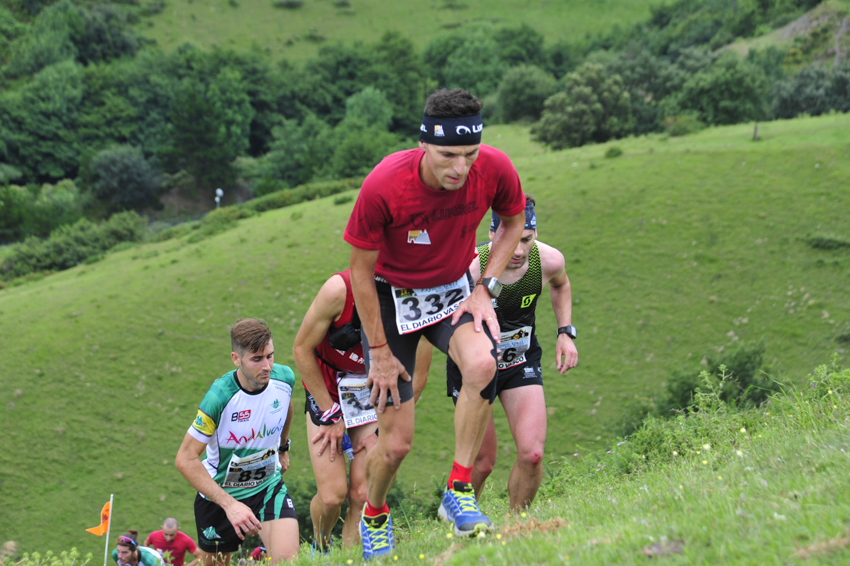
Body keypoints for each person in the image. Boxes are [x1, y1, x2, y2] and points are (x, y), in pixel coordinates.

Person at [343, 88, 527, 559]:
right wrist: (379, 352)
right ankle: (375, 514)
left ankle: (458, 490)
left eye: (470, 154)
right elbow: (359, 272)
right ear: (424, 143)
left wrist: (486, 287)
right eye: (448, 155)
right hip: (391, 300)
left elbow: (512, 223)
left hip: (452, 292)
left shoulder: (495, 167)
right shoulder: (385, 183)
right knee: (396, 446)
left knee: (483, 363)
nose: (460, 168)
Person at [446, 195, 578, 511]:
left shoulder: (548, 260)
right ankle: (458, 521)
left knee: (532, 454)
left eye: (527, 240)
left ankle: (517, 525)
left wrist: (565, 332)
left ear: (535, 234)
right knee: (482, 462)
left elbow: (561, 285)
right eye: (510, 239)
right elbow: (442, 321)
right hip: (474, 368)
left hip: (520, 360)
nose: (518, 251)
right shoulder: (471, 268)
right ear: (492, 234)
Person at [292, 269, 432, 552]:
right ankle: (320, 547)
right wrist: (330, 412)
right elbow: (301, 349)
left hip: (372, 394)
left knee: (363, 492)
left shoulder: (416, 298)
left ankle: (351, 557)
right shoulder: (339, 290)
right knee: (332, 496)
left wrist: (384, 427)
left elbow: (416, 379)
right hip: (327, 388)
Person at [175, 319, 299, 566]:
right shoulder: (219, 397)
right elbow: (185, 459)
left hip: (267, 487)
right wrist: (230, 505)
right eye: (257, 359)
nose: (267, 366)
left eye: (270, 356)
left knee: (288, 561)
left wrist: (283, 448)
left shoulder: (284, 378)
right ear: (236, 359)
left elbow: (286, 406)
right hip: (219, 498)